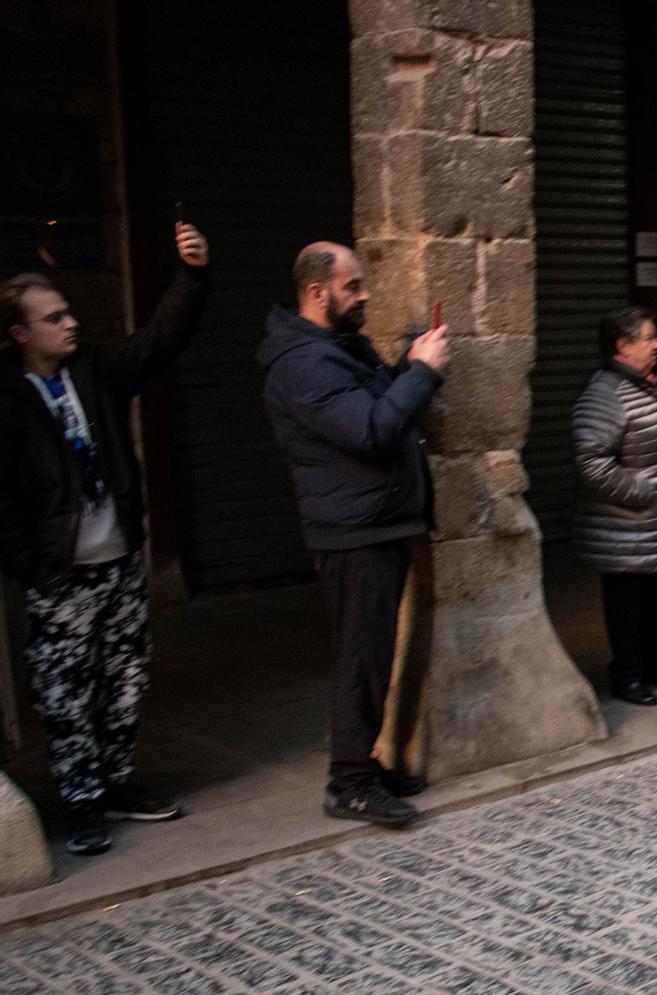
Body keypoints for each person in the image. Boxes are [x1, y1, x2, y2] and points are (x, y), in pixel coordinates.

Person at [0, 224, 210, 855]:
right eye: (53, 318)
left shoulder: (93, 369)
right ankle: (82, 803)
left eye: (67, 313)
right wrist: (33, 568)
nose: (69, 323)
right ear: (20, 333)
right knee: (64, 695)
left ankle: (118, 783)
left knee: (125, 680)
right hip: (60, 575)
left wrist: (191, 275)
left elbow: (157, 343)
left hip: (117, 563)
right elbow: (4, 499)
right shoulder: (7, 401)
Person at [260, 242, 449, 828]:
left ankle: (363, 768)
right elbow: (370, 430)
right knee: (358, 659)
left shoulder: (334, 346)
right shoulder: (302, 362)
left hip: (376, 520)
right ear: (318, 293)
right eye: (354, 286)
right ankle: (350, 783)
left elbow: (375, 401)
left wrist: (407, 365)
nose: (365, 295)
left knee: (372, 654)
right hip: (354, 531)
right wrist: (422, 373)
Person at [571, 306, 657, 707]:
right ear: (622, 347)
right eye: (648, 337)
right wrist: (641, 491)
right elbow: (591, 459)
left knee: (655, 599)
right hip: (625, 526)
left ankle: (653, 664)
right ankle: (626, 675)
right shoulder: (605, 393)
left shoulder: (653, 384)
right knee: (625, 607)